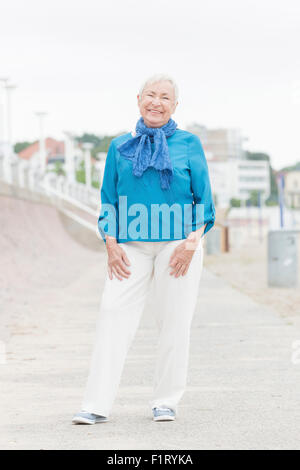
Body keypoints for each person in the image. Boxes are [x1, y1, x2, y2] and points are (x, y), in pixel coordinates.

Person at [72, 73, 216, 424]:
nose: (156, 102)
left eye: (165, 97)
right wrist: (110, 240)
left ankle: (166, 400)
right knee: (111, 313)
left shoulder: (188, 143)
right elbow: (108, 199)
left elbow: (204, 201)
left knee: (174, 322)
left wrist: (192, 243)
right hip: (130, 245)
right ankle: (95, 404)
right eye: (150, 95)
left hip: (178, 243)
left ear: (175, 106)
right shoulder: (119, 145)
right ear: (138, 100)